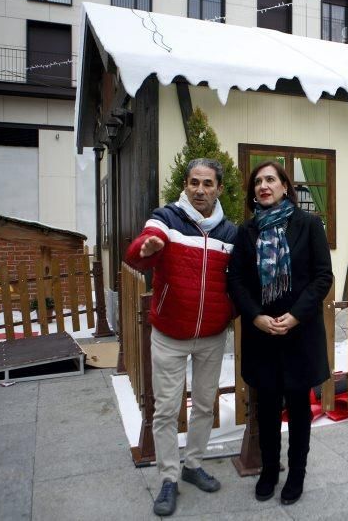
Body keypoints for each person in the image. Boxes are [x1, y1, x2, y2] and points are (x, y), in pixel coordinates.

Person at [124, 158, 237, 516]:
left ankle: (192, 465)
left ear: (219, 188)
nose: (200, 190)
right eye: (194, 183)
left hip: (211, 336)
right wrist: (146, 248)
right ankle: (169, 478)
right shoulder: (166, 219)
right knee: (167, 410)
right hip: (170, 334)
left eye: (207, 184)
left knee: (205, 405)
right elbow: (141, 249)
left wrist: (228, 312)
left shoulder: (230, 233)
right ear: (185, 185)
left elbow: (239, 279)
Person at [227, 160, 333, 506]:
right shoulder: (248, 231)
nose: (264, 185)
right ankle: (271, 469)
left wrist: (295, 315)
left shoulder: (308, 224)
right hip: (262, 334)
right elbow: (237, 280)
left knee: (300, 406)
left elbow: (322, 277)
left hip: (299, 332)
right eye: (258, 181)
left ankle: (297, 473)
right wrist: (255, 316)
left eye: (270, 179)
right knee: (267, 404)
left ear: (285, 186)